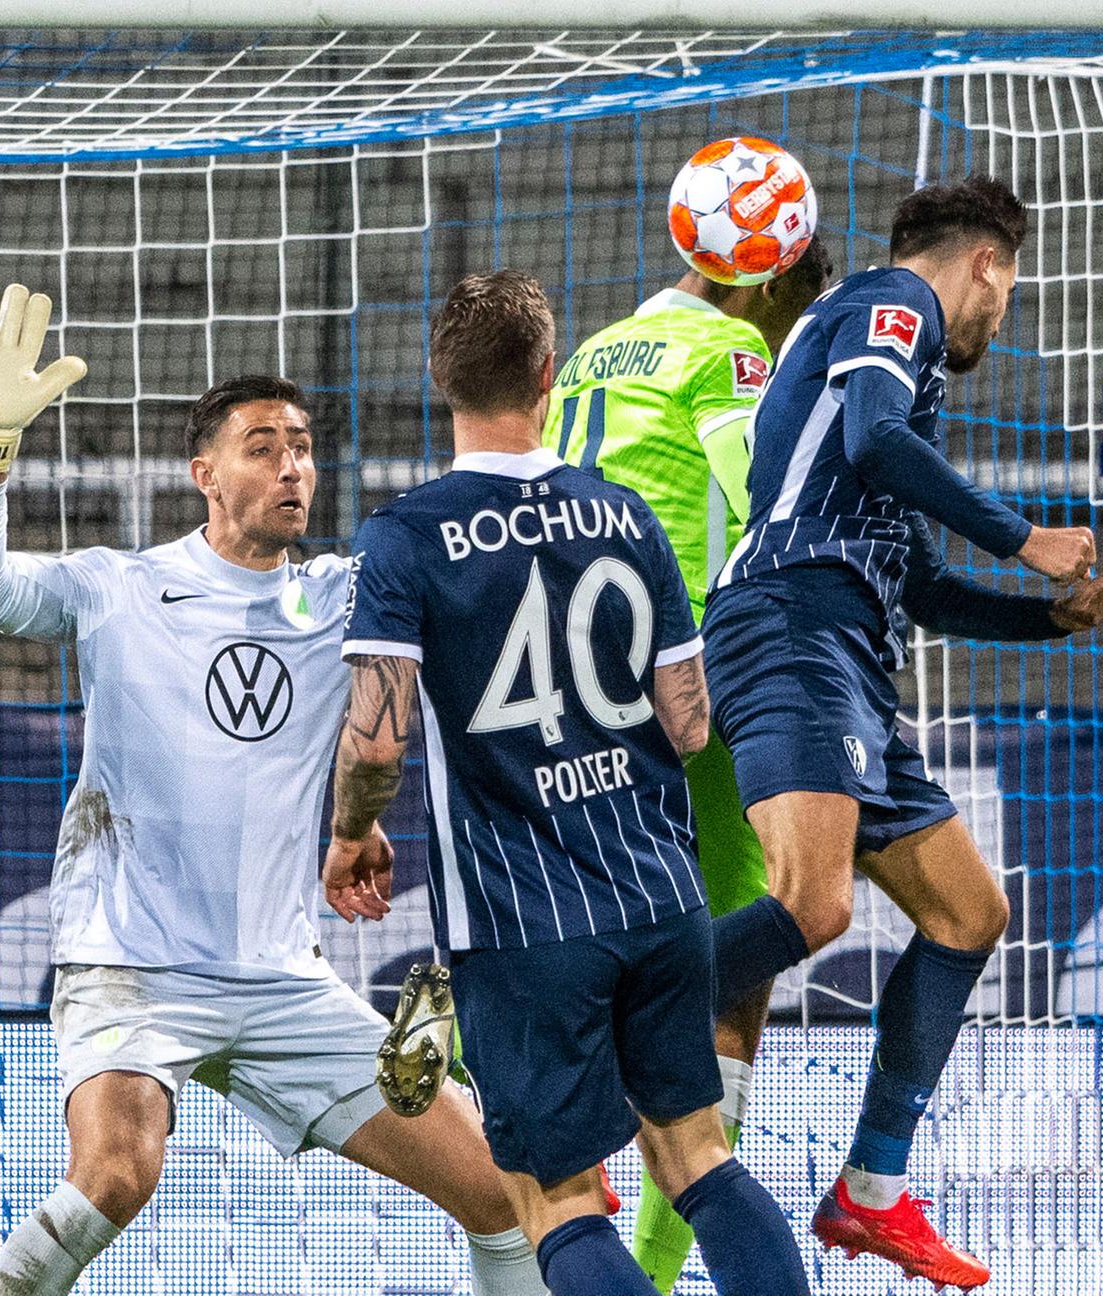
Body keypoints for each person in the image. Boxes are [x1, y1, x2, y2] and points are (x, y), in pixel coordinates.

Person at [0, 285, 547, 1296]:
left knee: (505, 1198)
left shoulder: (339, 594)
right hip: (132, 963)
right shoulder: (117, 584)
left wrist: (354, 828)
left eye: (301, 445)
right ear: (203, 474)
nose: (292, 464)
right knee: (116, 1177)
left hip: (284, 980)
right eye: (262, 445)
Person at [323, 269, 811, 1296]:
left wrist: (352, 834)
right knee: (698, 1161)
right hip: (660, 897)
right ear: (549, 376)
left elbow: (376, 743)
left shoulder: (405, 537)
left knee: (557, 1201)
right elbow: (689, 724)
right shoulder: (627, 516)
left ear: (439, 381)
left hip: (521, 921)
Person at [701, 174, 1103, 1291]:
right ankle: (575, 1015)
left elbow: (926, 590)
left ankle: (872, 1191)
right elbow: (874, 436)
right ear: (987, 262)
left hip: (852, 653)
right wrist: (1023, 536)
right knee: (814, 905)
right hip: (791, 623)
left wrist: (1057, 618)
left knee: (969, 911)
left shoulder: (903, 390)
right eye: (1010, 287)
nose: (1003, 315)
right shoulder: (888, 305)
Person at [542, 234, 833, 1292]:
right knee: (760, 933)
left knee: (584, 932)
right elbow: (763, 491)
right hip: (694, 667)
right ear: (759, 281)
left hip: (570, 674)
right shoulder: (731, 351)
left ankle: (489, 1038)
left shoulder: (591, 354)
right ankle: (664, 1267)